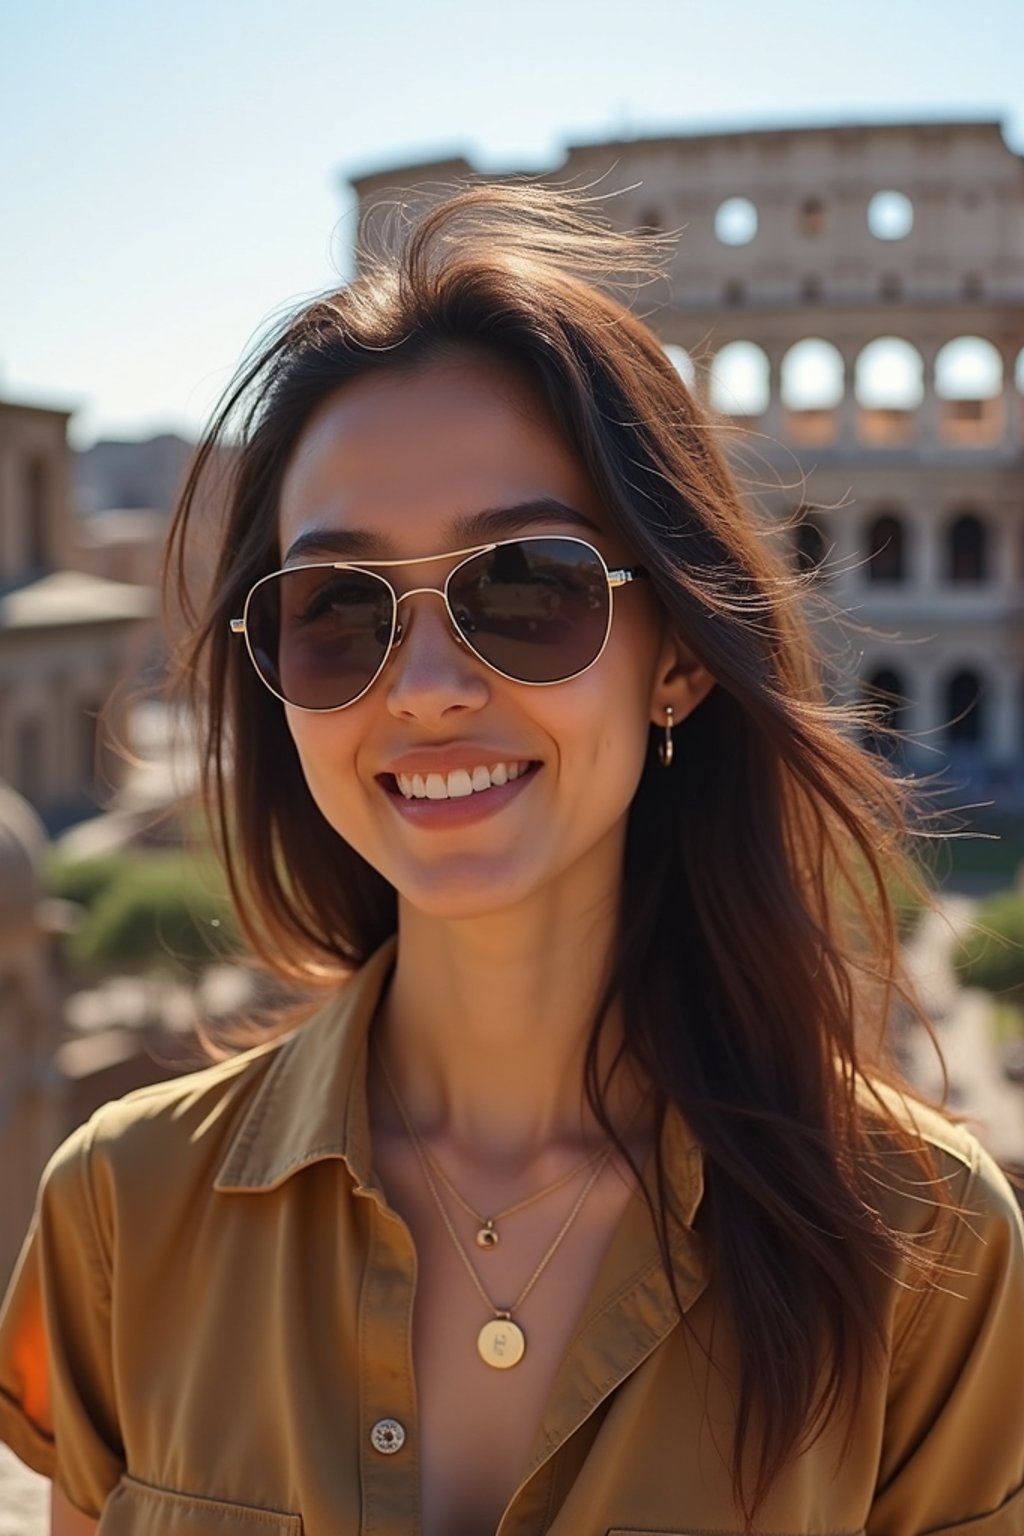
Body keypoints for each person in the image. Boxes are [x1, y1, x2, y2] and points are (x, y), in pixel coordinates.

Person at [1, 183, 1022, 1536]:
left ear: (673, 658)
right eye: (334, 613)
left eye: (522, 590)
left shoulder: (929, 1238)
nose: (423, 689)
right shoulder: (120, 1207)